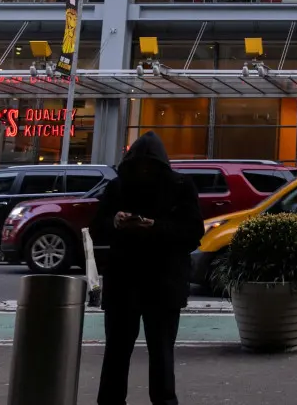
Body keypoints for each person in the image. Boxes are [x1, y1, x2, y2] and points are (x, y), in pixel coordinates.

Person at [93, 132, 203, 405]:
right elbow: (192, 233)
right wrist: (130, 224)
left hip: (127, 279)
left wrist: (121, 223)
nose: (144, 170)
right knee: (159, 352)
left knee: (120, 352)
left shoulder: (119, 186)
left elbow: (97, 227)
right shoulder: (179, 186)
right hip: (162, 282)